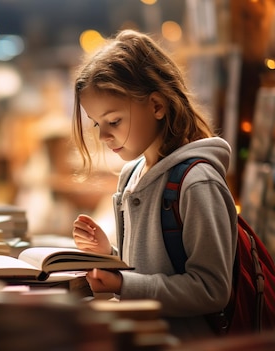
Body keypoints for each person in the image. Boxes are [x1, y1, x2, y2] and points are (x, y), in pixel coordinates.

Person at [70, 29, 238, 341]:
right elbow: (152, 267)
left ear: (157, 106)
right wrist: (109, 254)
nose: (104, 136)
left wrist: (123, 284)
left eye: (114, 121)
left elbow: (212, 289)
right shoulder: (131, 175)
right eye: (97, 124)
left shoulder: (197, 182)